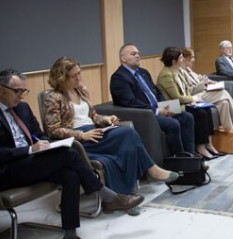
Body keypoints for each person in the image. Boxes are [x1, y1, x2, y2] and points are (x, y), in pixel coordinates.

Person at [0, 69, 143, 239]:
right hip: (7, 169)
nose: (21, 96)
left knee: (71, 175)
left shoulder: (22, 108)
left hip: (31, 163)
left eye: (24, 91)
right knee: (69, 154)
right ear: (1, 89)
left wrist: (46, 144)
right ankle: (107, 195)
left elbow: (39, 134)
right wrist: (30, 149)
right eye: (17, 91)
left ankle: (70, 233)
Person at [44, 57, 179, 197]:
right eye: (74, 76)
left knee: (127, 140)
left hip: (94, 132)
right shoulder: (53, 98)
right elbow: (53, 130)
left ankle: (126, 192)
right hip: (80, 140)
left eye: (79, 73)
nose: (79, 78)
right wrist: (81, 135)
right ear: (62, 77)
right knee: (128, 134)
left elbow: (93, 116)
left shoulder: (80, 91)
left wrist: (106, 119)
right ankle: (151, 171)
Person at [110, 44, 195, 156]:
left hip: (158, 107)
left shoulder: (143, 72)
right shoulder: (119, 77)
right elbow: (130, 102)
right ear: (123, 59)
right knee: (172, 123)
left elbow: (157, 92)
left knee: (187, 117)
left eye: (138, 53)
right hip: (145, 114)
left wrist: (166, 106)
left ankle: (190, 156)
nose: (137, 56)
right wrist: (157, 110)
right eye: (133, 54)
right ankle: (179, 158)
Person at [156, 47, 220, 160]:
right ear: (174, 61)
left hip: (183, 103)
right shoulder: (166, 75)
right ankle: (200, 147)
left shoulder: (178, 71)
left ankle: (208, 144)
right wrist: (192, 98)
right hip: (172, 106)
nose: (183, 60)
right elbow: (177, 97)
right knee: (200, 114)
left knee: (207, 110)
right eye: (181, 58)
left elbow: (186, 91)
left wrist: (194, 99)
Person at [180, 47, 233, 132]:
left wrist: (210, 81)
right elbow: (188, 91)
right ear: (185, 58)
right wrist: (203, 84)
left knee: (224, 102)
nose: (193, 60)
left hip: (203, 92)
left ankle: (229, 130)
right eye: (192, 57)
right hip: (195, 97)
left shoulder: (188, 69)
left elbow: (200, 77)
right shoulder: (181, 73)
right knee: (223, 92)